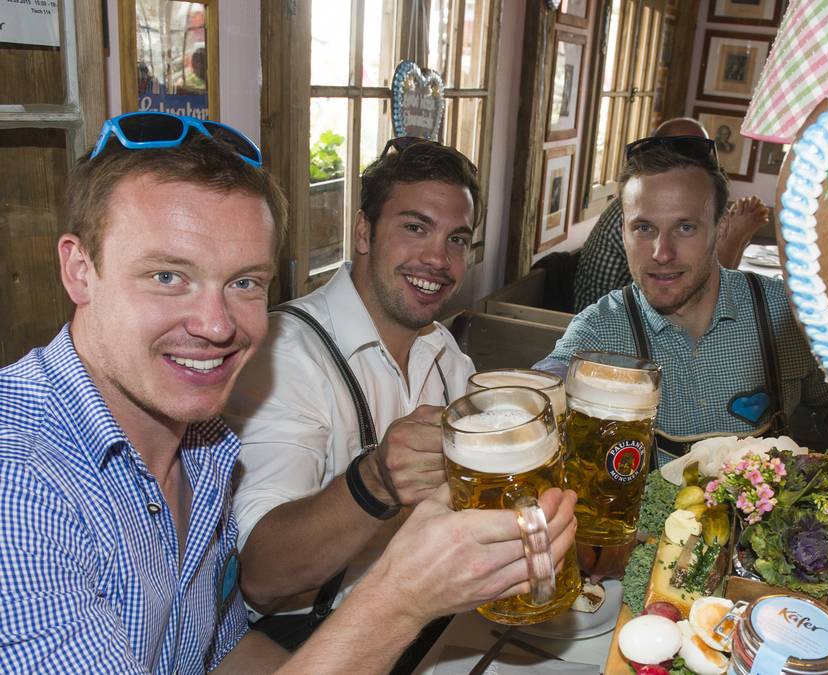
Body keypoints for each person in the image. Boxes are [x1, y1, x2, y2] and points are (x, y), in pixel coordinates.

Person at [0, 113, 576, 672]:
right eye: (167, 276)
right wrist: (401, 599)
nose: (216, 325)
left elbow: (225, 654)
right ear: (78, 269)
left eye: (244, 282)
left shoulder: (202, 445)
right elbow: (269, 578)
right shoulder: (20, 484)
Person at [537, 135, 828, 566]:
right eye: (643, 228)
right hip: (652, 558)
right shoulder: (599, 330)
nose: (661, 251)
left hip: (770, 554)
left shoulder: (784, 312)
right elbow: (535, 398)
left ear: (720, 228)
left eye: (685, 228)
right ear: (622, 232)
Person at [223, 138, 483, 649]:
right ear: (363, 232)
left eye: (457, 239)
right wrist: (373, 481)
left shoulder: (447, 353)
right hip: (311, 638)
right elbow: (260, 572)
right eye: (415, 228)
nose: (437, 258)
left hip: (428, 619)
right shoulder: (283, 354)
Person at [572, 117, 771, 312]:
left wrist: (735, 236)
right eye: (683, 151)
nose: (689, 162)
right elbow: (706, 299)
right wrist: (735, 236)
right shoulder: (640, 204)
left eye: (699, 151)